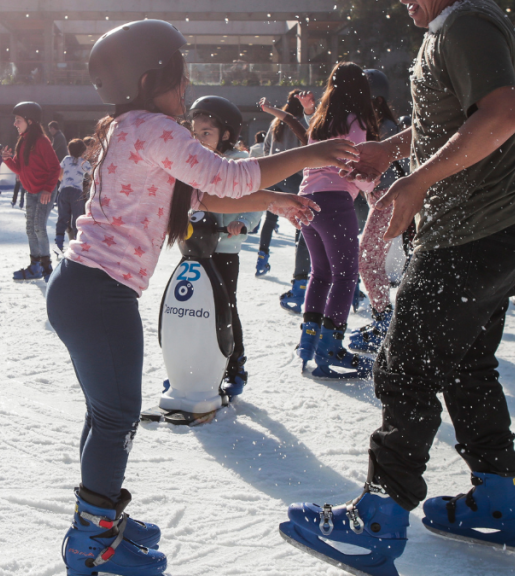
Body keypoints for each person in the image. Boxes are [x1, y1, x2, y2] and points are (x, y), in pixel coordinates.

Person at [46, 19, 357, 575]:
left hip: (82, 287)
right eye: (180, 77)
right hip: (99, 292)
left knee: (108, 413)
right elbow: (225, 178)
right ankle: (91, 540)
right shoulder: (155, 129)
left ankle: (98, 518)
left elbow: (207, 196)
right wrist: (311, 156)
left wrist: (276, 202)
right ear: (148, 78)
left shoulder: (130, 127)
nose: (187, 89)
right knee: (116, 417)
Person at [279, 0, 515, 572]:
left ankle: (377, 519)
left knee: (404, 368)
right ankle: (498, 498)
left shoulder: (465, 23)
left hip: (468, 234)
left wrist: (415, 182)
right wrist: (390, 150)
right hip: (500, 230)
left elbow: (501, 115)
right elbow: (453, 116)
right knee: (470, 365)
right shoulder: (462, 26)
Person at [287, 62, 378, 380]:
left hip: (307, 200)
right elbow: (349, 164)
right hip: (334, 202)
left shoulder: (322, 122)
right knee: (344, 276)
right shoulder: (356, 120)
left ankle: (308, 343)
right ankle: (330, 348)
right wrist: (374, 188)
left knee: (321, 274)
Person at [189, 95, 264, 397]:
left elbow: (256, 200)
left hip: (223, 249)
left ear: (227, 134)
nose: (199, 140)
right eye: (195, 134)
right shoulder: (194, 162)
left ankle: (236, 366)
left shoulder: (240, 162)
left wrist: (243, 222)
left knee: (224, 309)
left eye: (206, 133)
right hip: (195, 248)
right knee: (193, 308)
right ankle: (193, 366)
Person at [349, 69, 402, 353]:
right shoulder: (377, 126)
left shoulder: (385, 130)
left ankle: (385, 324)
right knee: (371, 261)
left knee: (367, 261)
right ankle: (384, 319)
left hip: (387, 200)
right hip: (381, 200)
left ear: (376, 99)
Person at [254, 90, 310, 286]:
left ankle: (262, 257)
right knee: (301, 217)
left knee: (270, 218)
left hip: (275, 176)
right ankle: (300, 269)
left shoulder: (276, 123)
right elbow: (307, 151)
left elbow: (266, 148)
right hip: (294, 177)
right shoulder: (303, 123)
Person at [4, 101, 62, 281]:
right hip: (31, 192)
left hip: (45, 191)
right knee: (30, 229)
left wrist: (47, 189)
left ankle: (46, 268)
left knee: (38, 227)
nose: (15, 124)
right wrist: (7, 159)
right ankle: (35, 266)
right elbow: (20, 168)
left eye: (18, 120)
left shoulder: (41, 141)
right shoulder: (22, 141)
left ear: (30, 121)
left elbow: (55, 168)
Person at [54, 138, 91, 251]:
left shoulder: (66, 159)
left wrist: (64, 181)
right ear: (83, 151)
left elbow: (59, 174)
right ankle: (76, 241)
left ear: (69, 150)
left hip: (64, 191)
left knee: (63, 216)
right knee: (77, 217)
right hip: (77, 193)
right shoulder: (84, 162)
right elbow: (93, 173)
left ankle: (59, 241)